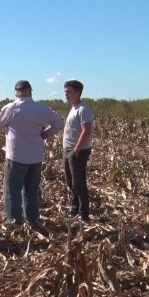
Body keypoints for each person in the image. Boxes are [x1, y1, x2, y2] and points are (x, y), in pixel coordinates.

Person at [0, 80, 63, 226]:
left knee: (12, 191)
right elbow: (59, 122)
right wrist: (47, 133)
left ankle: (14, 222)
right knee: (31, 191)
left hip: (16, 157)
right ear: (30, 91)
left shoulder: (11, 108)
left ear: (15, 92)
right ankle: (32, 220)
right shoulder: (42, 109)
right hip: (35, 157)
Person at [63, 79, 93, 222]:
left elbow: (86, 130)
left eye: (69, 92)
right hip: (68, 150)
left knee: (79, 183)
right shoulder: (73, 108)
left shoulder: (83, 109)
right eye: (65, 92)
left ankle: (83, 214)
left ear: (78, 92)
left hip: (78, 151)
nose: (66, 94)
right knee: (71, 182)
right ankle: (75, 208)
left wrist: (76, 149)